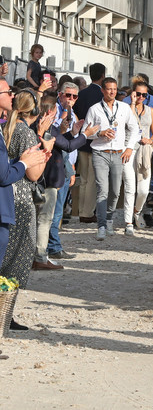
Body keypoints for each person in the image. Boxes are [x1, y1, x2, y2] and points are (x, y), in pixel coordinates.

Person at [0, 89, 54, 330]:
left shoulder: (8, 127)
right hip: (21, 199)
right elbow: (33, 174)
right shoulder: (26, 133)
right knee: (18, 259)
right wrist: (47, 151)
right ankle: (5, 315)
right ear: (36, 110)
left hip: (8, 196)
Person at [33, 95, 96, 269]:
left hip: (43, 178)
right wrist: (85, 135)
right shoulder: (46, 128)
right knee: (45, 218)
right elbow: (67, 147)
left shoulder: (40, 126)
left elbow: (62, 142)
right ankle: (40, 257)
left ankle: (40, 254)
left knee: (41, 218)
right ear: (51, 110)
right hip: (48, 179)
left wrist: (71, 133)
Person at [84, 77, 140, 240]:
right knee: (103, 189)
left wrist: (129, 147)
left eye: (114, 89)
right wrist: (99, 133)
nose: (112, 92)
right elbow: (85, 133)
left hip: (118, 153)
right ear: (102, 90)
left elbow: (134, 127)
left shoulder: (123, 107)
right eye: (109, 89)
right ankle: (101, 225)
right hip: (100, 152)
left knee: (115, 191)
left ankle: (109, 219)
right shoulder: (94, 109)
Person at [48, 82, 87, 259]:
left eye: (74, 96)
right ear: (60, 94)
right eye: (68, 95)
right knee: (53, 210)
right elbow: (58, 138)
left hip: (66, 165)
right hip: (54, 165)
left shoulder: (74, 113)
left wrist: (72, 168)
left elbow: (71, 144)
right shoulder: (54, 111)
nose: (71, 99)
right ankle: (53, 247)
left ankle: (53, 244)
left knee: (59, 209)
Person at [121, 80, 153, 234]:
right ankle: (128, 222)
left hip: (144, 150)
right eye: (138, 94)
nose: (141, 97)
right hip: (128, 149)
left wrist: (150, 140)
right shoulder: (125, 108)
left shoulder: (150, 110)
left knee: (143, 190)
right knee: (130, 187)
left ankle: (136, 211)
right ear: (133, 93)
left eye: (144, 94)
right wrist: (131, 103)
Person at [73, 63, 107, 224]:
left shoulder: (82, 93)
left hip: (81, 140)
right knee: (93, 180)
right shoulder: (101, 95)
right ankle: (87, 212)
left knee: (84, 180)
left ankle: (81, 210)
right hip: (96, 140)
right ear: (103, 75)